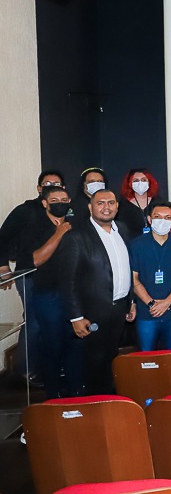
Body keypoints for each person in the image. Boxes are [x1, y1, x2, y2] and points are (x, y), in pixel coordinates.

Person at [62, 189, 135, 394]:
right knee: (91, 365)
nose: (106, 207)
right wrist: (76, 317)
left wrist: (131, 302)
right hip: (90, 313)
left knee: (109, 360)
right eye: (100, 203)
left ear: (117, 206)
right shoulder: (76, 236)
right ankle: (92, 408)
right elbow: (68, 281)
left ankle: (108, 402)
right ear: (90, 207)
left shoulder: (123, 230)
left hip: (119, 309)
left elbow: (129, 269)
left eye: (111, 203)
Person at [0, 169, 65, 385]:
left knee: (54, 321)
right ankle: (24, 370)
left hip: (57, 278)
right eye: (47, 185)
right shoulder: (25, 211)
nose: (51, 187)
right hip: (29, 274)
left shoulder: (68, 213)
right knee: (35, 321)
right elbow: (4, 237)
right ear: (39, 189)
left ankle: (49, 366)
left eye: (56, 184)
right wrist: (2, 267)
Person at [19, 185, 73, 397]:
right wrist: (58, 234)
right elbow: (36, 260)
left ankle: (73, 390)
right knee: (52, 345)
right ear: (45, 203)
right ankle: (53, 395)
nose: (60, 202)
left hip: (73, 295)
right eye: (55, 199)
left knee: (73, 344)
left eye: (64, 199)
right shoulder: (34, 228)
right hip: (48, 294)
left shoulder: (75, 224)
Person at [129, 201, 171, 351]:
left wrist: (166, 303)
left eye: (167, 217)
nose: (162, 221)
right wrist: (151, 304)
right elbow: (134, 279)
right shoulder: (136, 244)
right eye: (158, 217)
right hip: (147, 312)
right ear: (150, 219)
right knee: (146, 356)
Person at [117, 168, 159, 234]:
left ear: (149, 182)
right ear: (130, 184)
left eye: (143, 180)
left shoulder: (158, 203)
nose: (140, 183)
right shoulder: (122, 206)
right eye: (136, 180)